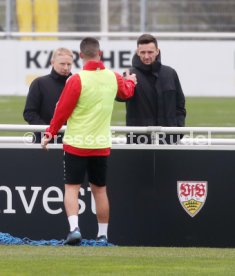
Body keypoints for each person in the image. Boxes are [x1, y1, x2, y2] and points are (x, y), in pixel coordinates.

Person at [41, 37, 137, 245]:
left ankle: (74, 229)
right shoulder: (113, 77)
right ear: (100, 54)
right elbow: (127, 92)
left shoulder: (77, 79)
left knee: (72, 189)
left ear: (81, 56)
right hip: (101, 145)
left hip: (76, 143)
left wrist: (50, 132)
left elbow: (62, 111)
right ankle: (103, 235)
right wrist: (131, 81)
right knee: (100, 190)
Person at [118, 33, 186, 144]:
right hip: (138, 141)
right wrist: (126, 83)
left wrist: (178, 130)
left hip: (168, 140)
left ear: (157, 51)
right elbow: (120, 97)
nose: (146, 56)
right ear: (137, 52)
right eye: (143, 52)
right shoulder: (130, 74)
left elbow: (180, 105)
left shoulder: (170, 73)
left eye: (150, 52)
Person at [23, 47, 73, 143]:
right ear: (52, 62)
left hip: (73, 141)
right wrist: (49, 131)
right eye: (62, 64)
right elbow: (29, 113)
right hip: (43, 141)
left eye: (69, 64)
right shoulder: (39, 83)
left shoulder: (78, 83)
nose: (66, 67)